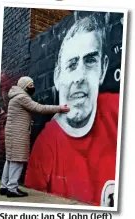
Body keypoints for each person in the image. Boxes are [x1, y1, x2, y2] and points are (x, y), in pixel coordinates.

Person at [25, 13, 119, 206]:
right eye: (72, 64)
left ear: (103, 68)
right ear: (58, 77)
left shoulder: (119, 112)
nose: (80, 77)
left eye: (90, 61)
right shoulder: (45, 148)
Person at [0, 76, 70, 198]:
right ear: (24, 86)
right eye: (30, 85)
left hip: (12, 133)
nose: (33, 88)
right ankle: (12, 189)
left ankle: (4, 187)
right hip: (18, 134)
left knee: (10, 159)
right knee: (18, 160)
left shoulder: (14, 97)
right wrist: (59, 108)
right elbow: (39, 108)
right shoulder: (22, 97)